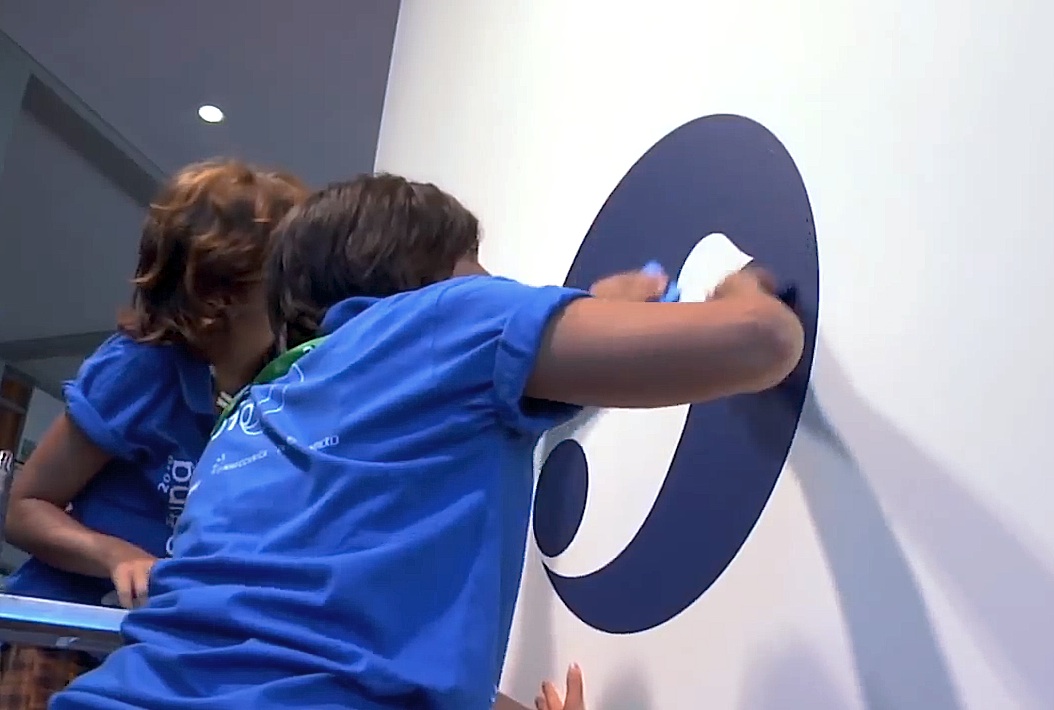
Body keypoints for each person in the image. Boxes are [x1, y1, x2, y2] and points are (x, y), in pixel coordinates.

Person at [51, 173, 804, 710]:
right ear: (433, 275)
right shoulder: (445, 318)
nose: (495, 286)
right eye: (478, 271)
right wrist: (742, 292)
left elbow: (306, 642)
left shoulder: (256, 411)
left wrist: (581, 319)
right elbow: (760, 343)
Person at [0, 160, 307, 710]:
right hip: (66, 631)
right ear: (223, 291)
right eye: (287, 267)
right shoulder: (141, 367)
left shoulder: (284, 389)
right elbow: (26, 508)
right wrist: (115, 555)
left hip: (170, 656)